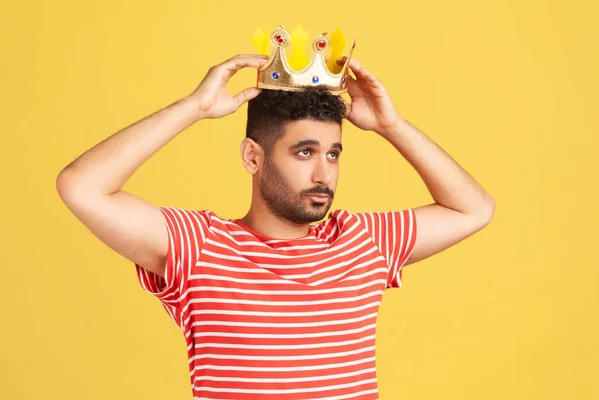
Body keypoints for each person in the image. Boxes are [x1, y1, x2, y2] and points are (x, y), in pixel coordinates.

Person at [56, 53, 495, 400]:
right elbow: (82, 187)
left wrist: (391, 126)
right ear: (253, 157)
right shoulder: (200, 246)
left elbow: (473, 208)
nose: (325, 173)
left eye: (334, 153)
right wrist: (193, 108)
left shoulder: (363, 242)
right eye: (305, 152)